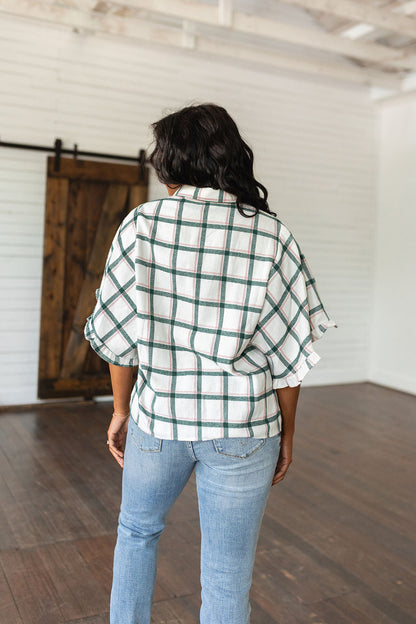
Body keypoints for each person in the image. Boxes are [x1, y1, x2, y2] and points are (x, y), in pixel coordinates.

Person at [84, 103, 337, 624]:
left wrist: (121, 410)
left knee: (136, 534)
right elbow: (288, 356)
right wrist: (287, 434)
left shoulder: (142, 225)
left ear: (171, 160)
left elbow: (117, 337)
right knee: (227, 575)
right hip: (245, 427)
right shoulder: (272, 235)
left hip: (159, 420)